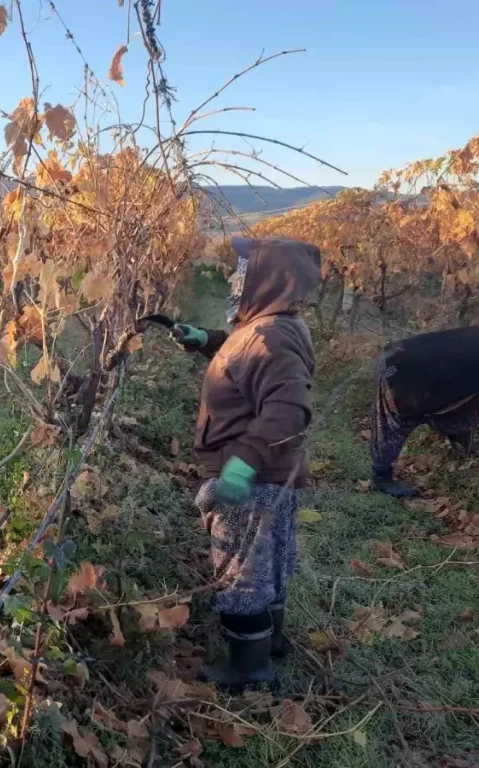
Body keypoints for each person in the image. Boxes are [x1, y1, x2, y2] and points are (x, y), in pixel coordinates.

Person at [171, 236, 320, 692]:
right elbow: (247, 357)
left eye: (244, 269)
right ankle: (270, 644)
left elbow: (287, 413)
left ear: (271, 278)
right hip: (273, 476)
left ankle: (248, 672)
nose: (237, 279)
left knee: (241, 575)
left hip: (252, 480)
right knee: (267, 564)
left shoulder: (268, 336)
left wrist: (238, 468)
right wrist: (209, 342)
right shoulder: (276, 325)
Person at [370, 324, 479, 497]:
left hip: (445, 374)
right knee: (395, 423)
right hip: (402, 367)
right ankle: (382, 477)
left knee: (464, 405)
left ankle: (464, 447)